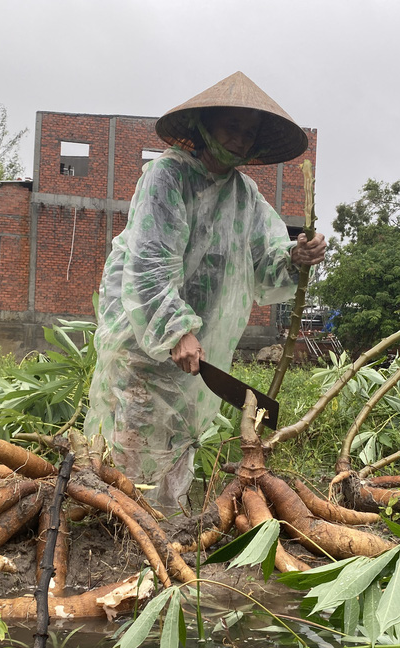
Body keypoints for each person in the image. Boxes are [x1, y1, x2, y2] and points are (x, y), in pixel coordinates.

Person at [83, 71, 326, 512]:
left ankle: (166, 533)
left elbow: (265, 261)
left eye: (248, 132)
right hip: (145, 346)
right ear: (205, 126)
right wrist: (175, 330)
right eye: (231, 126)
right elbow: (149, 263)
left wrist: (295, 256)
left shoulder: (245, 196)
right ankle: (116, 534)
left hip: (196, 356)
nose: (239, 139)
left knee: (178, 440)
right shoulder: (167, 177)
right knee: (130, 451)